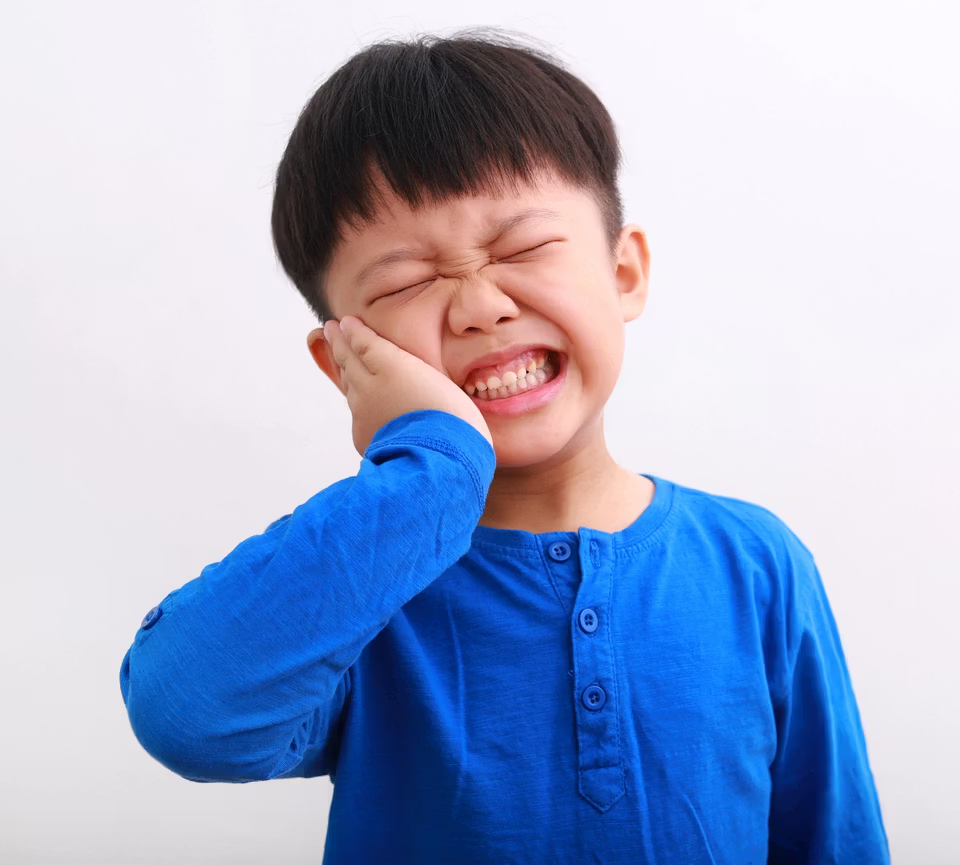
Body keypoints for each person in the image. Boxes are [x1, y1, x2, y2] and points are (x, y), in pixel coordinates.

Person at [119, 28, 889, 864]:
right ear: (343, 360)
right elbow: (185, 712)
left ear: (624, 272)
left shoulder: (757, 564)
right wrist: (431, 473)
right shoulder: (360, 588)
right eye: (408, 282)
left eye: (523, 247)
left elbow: (833, 836)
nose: (479, 306)